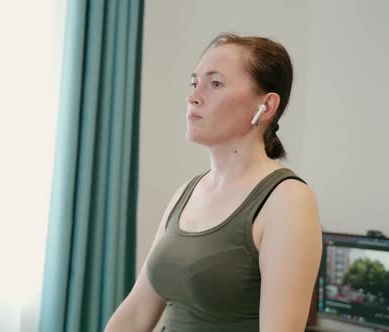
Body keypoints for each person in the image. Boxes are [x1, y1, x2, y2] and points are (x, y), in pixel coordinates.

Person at [105, 33, 322, 332]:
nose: (193, 96)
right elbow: (135, 315)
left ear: (266, 106)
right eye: (195, 83)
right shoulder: (188, 192)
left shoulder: (288, 200)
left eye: (215, 83)